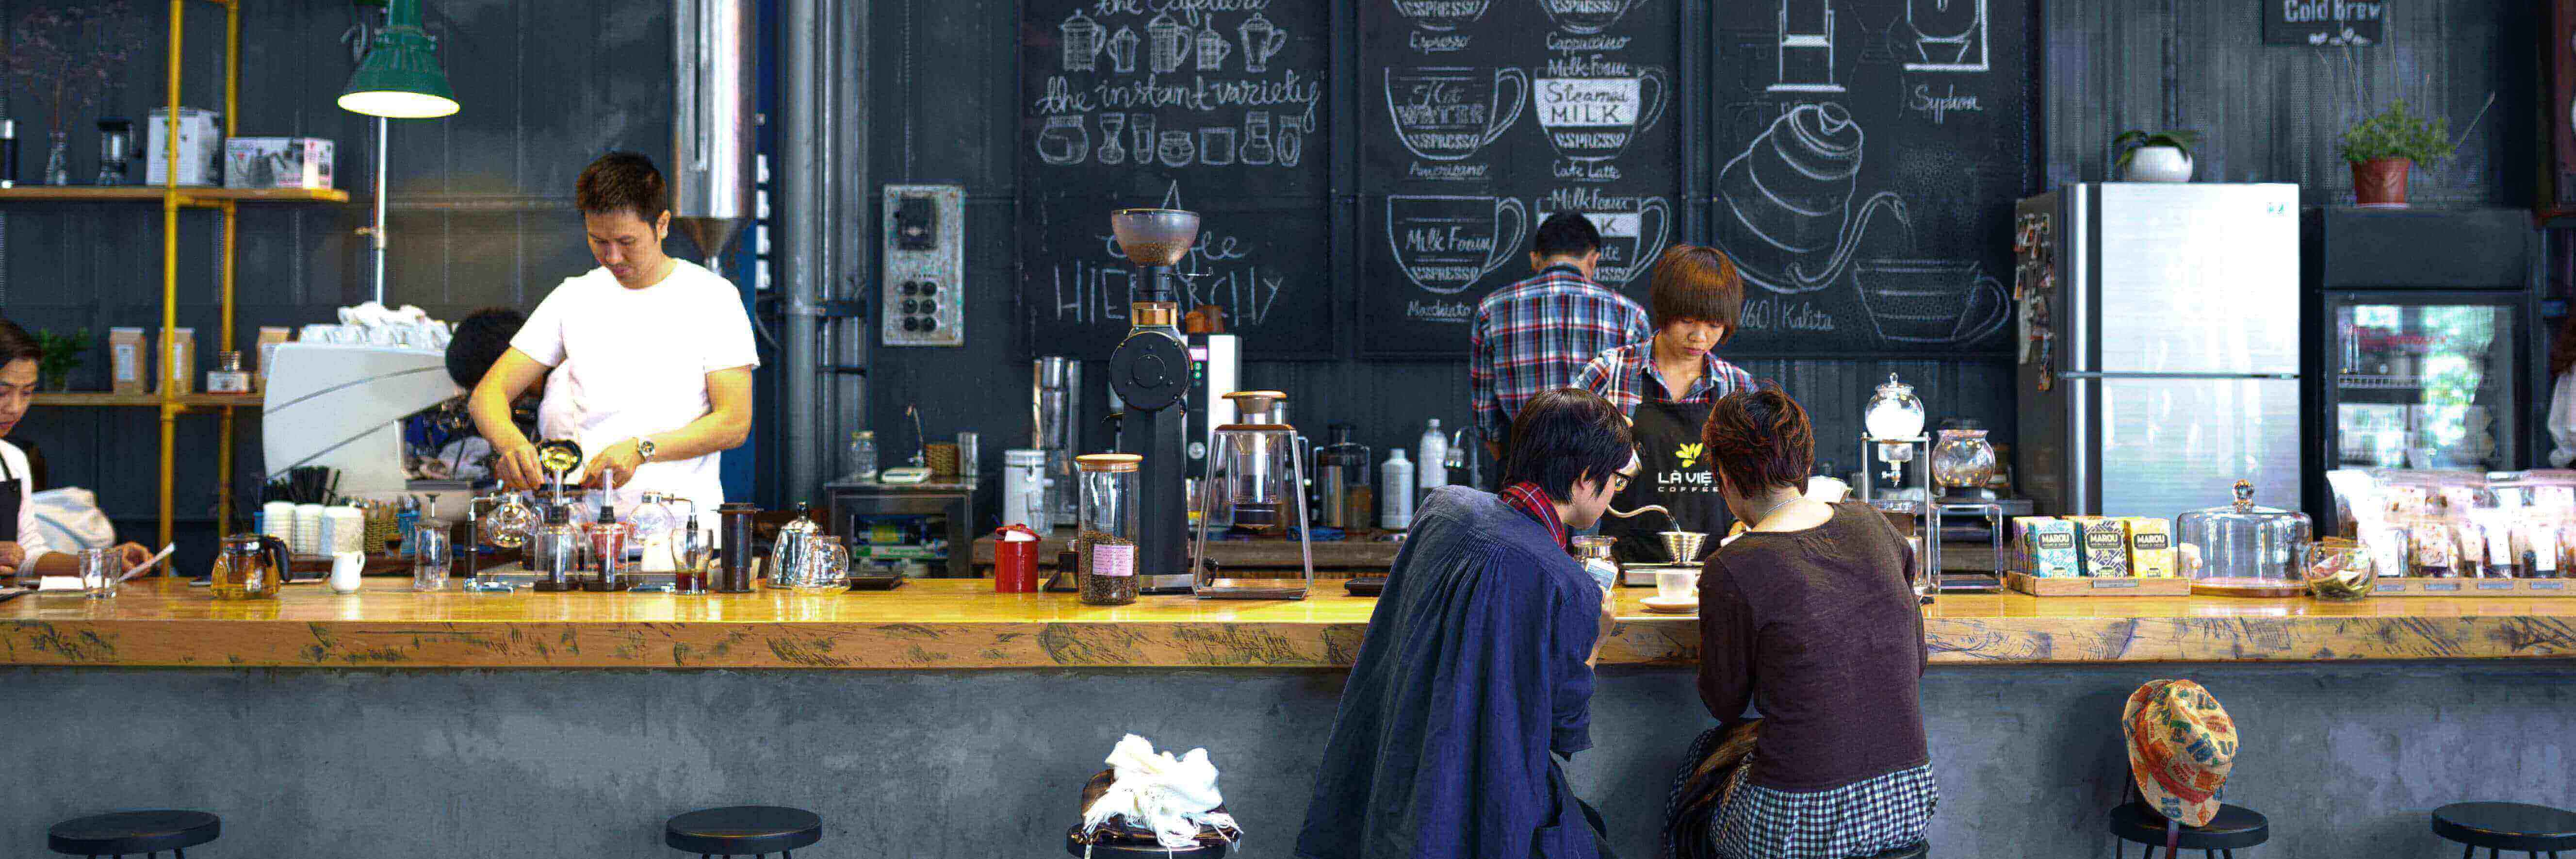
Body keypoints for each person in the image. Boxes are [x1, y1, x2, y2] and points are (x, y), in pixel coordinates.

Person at [1297, 388, 1634, 859]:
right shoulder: (1568, 586)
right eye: (1617, 480)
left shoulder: (1443, 508)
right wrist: (1595, 641)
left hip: (1388, 789)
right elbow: (1565, 730)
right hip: (1485, 813)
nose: (1616, 492)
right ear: (1584, 478)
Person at [1678, 388, 1935, 859]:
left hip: (1797, 822)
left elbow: (1725, 704)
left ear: (1724, 477)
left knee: (1696, 780)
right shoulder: (1875, 525)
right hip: (1907, 802)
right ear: (1805, 461)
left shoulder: (1732, 567)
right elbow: (1916, 662)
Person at [466, 152, 757, 515]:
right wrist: (512, 445)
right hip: (587, 524)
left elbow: (734, 422)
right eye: (599, 241)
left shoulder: (712, 298)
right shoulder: (574, 296)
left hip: (680, 524)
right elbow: (487, 395)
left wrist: (642, 449)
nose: (613, 257)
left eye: (627, 241)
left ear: (662, 225)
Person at [1574, 245, 1758, 564]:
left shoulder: (1738, 388)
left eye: (1714, 325)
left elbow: (1757, 481)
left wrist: (1744, 527)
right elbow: (1559, 458)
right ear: (1664, 310)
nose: (1699, 337)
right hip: (1621, 565)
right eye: (1687, 321)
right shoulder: (1609, 374)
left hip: (1717, 567)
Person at [1470, 213, 1651, 464]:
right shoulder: (1631, 315)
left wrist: (1511, 462)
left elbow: (1485, 414)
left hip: (1525, 460)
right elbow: (1643, 404)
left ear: (1536, 259)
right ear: (1593, 258)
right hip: (1601, 465)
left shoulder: (1491, 310)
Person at [0, 320, 154, 580]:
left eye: (26, 393)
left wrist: (103, 562)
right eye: (2, 393)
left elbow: (29, 554)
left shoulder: (13, 461)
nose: (15, 408)